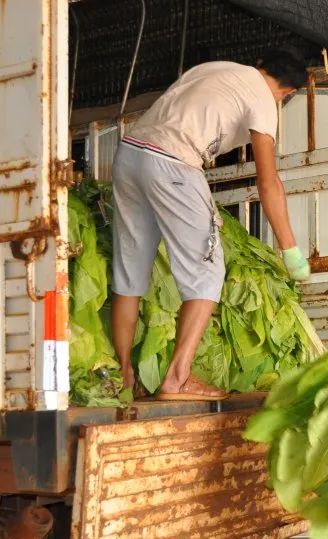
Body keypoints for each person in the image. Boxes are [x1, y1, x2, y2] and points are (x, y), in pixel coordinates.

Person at [110, 52, 310, 402]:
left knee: (130, 273)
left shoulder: (216, 68)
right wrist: (290, 249)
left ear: (262, 62)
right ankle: (177, 378)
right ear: (287, 93)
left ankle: (123, 376)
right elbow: (268, 183)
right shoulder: (265, 100)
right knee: (207, 271)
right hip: (173, 163)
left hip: (130, 155)